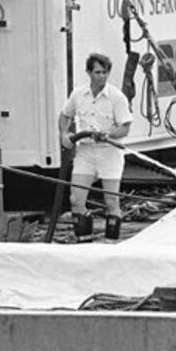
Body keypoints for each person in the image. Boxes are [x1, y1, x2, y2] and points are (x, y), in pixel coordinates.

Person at [59, 53, 133, 242]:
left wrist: (108, 135)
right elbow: (65, 115)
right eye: (97, 72)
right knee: (76, 200)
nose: (101, 77)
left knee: (111, 201)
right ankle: (85, 241)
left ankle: (111, 244)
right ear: (88, 72)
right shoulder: (78, 94)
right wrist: (64, 134)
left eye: (105, 73)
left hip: (109, 153)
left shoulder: (117, 97)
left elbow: (125, 127)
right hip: (85, 152)